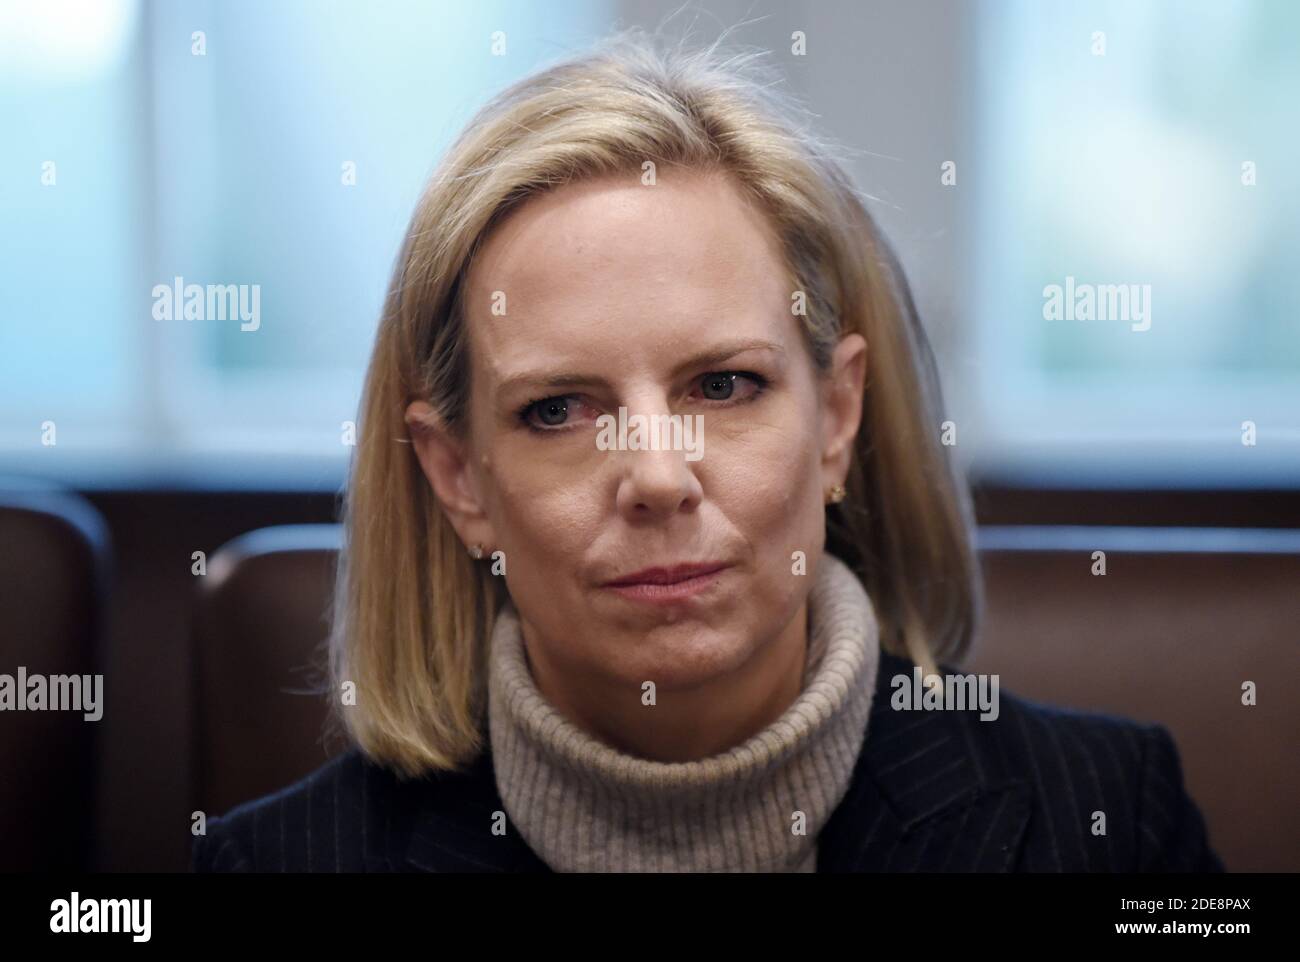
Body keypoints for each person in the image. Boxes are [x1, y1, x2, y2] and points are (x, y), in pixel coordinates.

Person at [193, 30, 1223, 873]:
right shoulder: (275, 864)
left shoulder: (1108, 817)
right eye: (558, 408)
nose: (654, 475)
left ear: (835, 417)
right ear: (457, 475)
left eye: (723, 385)